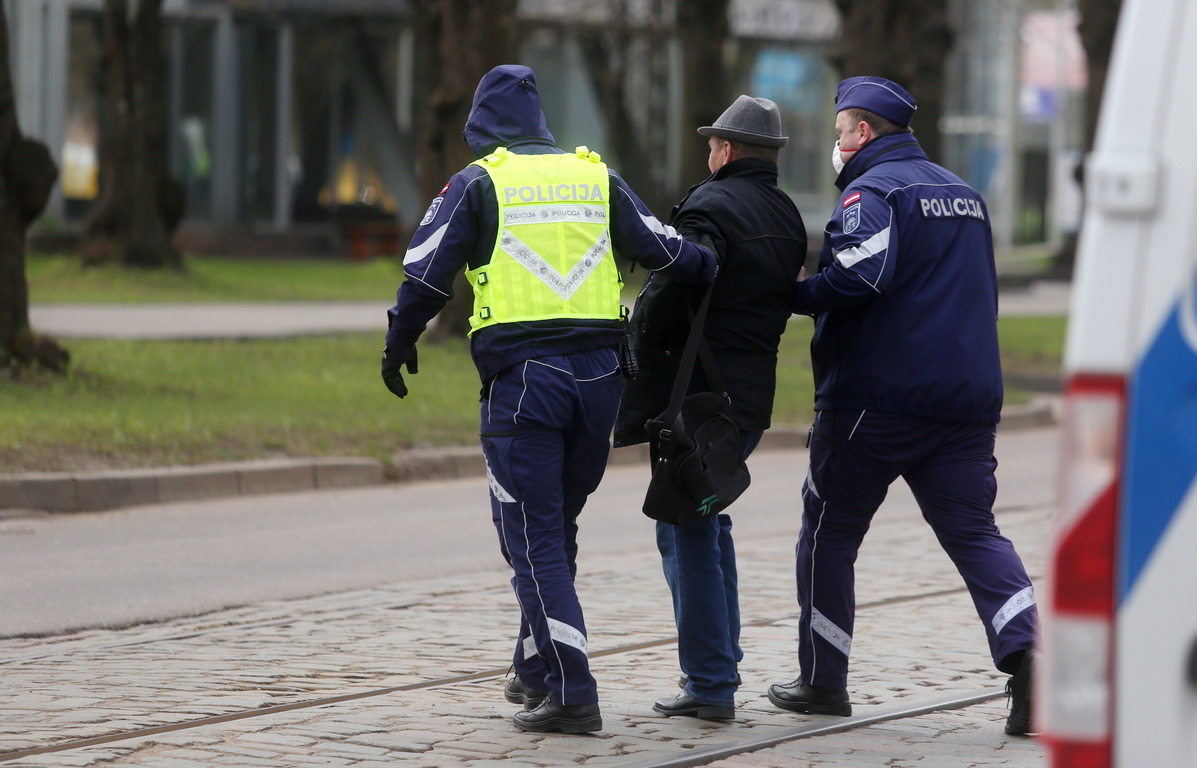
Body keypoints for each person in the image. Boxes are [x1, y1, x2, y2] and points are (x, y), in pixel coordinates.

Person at [381, 65, 716, 735]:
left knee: (532, 539)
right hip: (600, 384)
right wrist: (721, 252)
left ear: (483, 127)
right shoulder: (597, 177)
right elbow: (677, 255)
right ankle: (535, 669)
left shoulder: (478, 182)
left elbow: (424, 274)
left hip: (525, 383)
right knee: (552, 529)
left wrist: (399, 341)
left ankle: (571, 690)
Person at [765, 76, 1038, 736]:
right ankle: (1032, 663)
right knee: (974, 534)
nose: (835, 146)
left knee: (829, 532)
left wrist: (795, 296)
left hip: (875, 401)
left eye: (838, 134)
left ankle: (823, 682)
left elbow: (860, 272)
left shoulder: (873, 191)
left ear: (861, 133)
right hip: (966, 401)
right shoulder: (965, 197)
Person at [613, 96, 807, 720]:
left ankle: (710, 683)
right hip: (746, 402)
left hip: (693, 398)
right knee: (707, 515)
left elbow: (673, 285)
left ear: (725, 151)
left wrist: (637, 345)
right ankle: (719, 664)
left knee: (684, 526)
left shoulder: (711, 204)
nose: (708, 154)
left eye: (711, 145)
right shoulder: (785, 212)